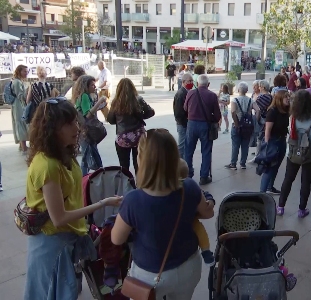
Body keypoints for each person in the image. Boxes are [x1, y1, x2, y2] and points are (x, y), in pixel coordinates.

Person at [23, 99, 122, 299]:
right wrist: (102, 204)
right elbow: (59, 218)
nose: (76, 128)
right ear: (51, 129)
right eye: (68, 124)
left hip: (67, 241)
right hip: (52, 246)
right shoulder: (48, 165)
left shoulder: (62, 154)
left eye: (75, 122)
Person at [111, 129, 214, 299]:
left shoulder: (133, 200)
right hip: (188, 267)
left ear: (142, 159)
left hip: (149, 276)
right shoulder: (189, 187)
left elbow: (116, 239)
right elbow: (207, 213)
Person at [277, 90, 311, 217]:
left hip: (293, 153)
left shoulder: (293, 117)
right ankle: (301, 209)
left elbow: (290, 134)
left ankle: (280, 206)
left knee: (288, 179)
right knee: (306, 181)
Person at [107, 78, 155, 173]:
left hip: (122, 137)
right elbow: (151, 112)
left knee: (124, 165)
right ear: (133, 87)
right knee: (139, 163)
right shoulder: (139, 100)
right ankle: (140, 183)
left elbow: (111, 120)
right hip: (138, 136)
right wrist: (141, 116)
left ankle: (127, 184)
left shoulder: (115, 102)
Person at [184, 74, 221, 185]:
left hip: (191, 124)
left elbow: (185, 108)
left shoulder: (190, 93)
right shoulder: (212, 95)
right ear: (208, 84)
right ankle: (204, 177)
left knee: (188, 150)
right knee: (206, 151)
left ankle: (187, 174)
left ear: (197, 83)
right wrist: (211, 119)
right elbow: (218, 115)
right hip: (205, 125)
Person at [72, 75, 106, 175]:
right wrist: (99, 102)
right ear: (85, 86)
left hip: (84, 130)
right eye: (92, 85)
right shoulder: (84, 96)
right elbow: (87, 114)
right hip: (87, 131)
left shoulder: (83, 96)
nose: (94, 87)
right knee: (88, 156)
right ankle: (92, 176)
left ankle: (93, 174)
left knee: (88, 155)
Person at [260, 90, 290, 194]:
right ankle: (262, 193)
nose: (288, 99)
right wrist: (267, 146)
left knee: (276, 167)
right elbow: (267, 130)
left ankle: (270, 187)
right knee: (269, 169)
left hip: (281, 140)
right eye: (286, 97)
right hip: (273, 142)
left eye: (288, 97)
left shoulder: (285, 111)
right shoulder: (272, 111)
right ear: (280, 99)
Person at [224, 82, 253, 170]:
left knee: (235, 145)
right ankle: (243, 163)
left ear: (238, 90)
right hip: (247, 125)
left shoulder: (234, 100)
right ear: (247, 90)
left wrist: (236, 124)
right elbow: (258, 110)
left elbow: (233, 112)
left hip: (237, 125)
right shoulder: (250, 100)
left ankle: (233, 164)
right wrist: (254, 119)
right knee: (245, 145)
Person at [173, 73, 194, 159]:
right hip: (183, 124)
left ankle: (185, 163)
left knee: (187, 145)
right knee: (182, 146)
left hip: (186, 123)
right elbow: (178, 113)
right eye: (189, 81)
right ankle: (180, 164)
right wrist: (185, 123)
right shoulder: (181, 93)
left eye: (192, 81)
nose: (191, 83)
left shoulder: (187, 92)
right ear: (184, 82)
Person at [10, 65, 29, 154]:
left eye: (27, 71)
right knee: (20, 124)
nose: (26, 73)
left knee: (20, 124)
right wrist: (29, 92)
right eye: (24, 71)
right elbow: (20, 95)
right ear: (19, 71)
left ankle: (22, 146)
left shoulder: (17, 81)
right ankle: (24, 148)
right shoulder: (17, 82)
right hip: (19, 105)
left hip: (18, 105)